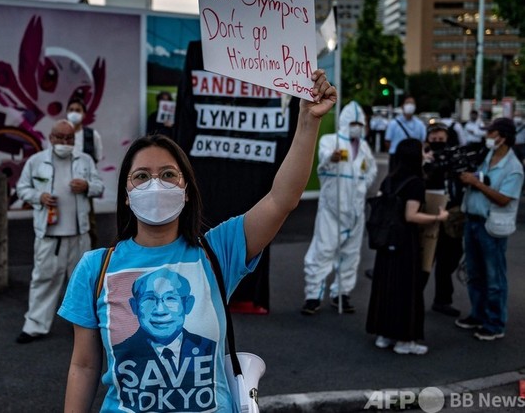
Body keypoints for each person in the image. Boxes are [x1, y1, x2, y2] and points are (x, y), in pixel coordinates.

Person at [58, 70, 336, 411]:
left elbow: (282, 199)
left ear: (186, 190)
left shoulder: (219, 251)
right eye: (142, 176)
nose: (155, 184)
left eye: (168, 175)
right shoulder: (95, 268)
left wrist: (308, 121)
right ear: (126, 195)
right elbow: (84, 366)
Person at [15, 119, 105, 344]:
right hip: (49, 235)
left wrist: (87, 186)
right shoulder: (36, 162)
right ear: (51, 138)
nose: (65, 142)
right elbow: (22, 188)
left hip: (79, 234)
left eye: (69, 138)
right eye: (60, 138)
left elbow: (99, 186)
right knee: (43, 279)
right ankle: (35, 326)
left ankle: (86, 326)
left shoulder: (84, 161)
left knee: (84, 282)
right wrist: (39, 197)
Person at [366, 138, 449, 355]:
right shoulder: (415, 183)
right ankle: (405, 340)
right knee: (406, 290)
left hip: (386, 241)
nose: (426, 154)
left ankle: (383, 335)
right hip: (405, 243)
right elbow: (410, 216)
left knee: (386, 286)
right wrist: (437, 217)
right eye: (423, 150)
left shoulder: (390, 179)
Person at [302, 101, 377, 315]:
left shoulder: (363, 147)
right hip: (332, 209)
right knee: (322, 251)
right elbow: (322, 163)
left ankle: (341, 293)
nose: (357, 126)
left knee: (351, 255)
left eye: (359, 122)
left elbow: (369, 170)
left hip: (355, 211)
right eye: (353, 122)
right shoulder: (330, 141)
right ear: (344, 122)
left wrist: (362, 185)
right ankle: (313, 295)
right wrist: (331, 158)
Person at [455, 117, 523, 341]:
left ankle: (495, 323)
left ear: (502, 138)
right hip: (473, 221)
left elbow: (504, 198)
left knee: (494, 278)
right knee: (475, 274)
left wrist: (477, 184)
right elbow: (480, 178)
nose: (487, 137)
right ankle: (478, 314)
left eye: (491, 133)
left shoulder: (513, 168)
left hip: (491, 227)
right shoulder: (487, 158)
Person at [111, 268, 216, 388]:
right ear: (134, 306)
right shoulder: (121, 351)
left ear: (187, 304)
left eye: (171, 298)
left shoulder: (209, 347)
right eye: (149, 298)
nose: (160, 310)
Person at [422, 124, 466, 317]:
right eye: (435, 140)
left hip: (453, 216)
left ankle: (443, 300)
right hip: (430, 214)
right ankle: (413, 297)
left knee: (450, 259)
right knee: (425, 261)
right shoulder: (423, 157)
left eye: (442, 140)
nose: (439, 143)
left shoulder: (454, 158)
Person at [66, 97, 104, 248]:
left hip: (84, 186)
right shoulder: (62, 134)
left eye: (78, 110)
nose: (74, 113)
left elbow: (97, 158)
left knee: (88, 223)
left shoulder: (92, 135)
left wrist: (87, 183)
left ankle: (91, 257)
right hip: (64, 185)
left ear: (84, 114)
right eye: (71, 110)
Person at [383, 96, 427, 170]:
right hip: (396, 157)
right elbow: (387, 141)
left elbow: (423, 141)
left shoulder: (420, 124)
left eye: (412, 103)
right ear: (402, 106)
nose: (410, 105)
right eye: (407, 103)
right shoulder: (393, 123)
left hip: (414, 158)